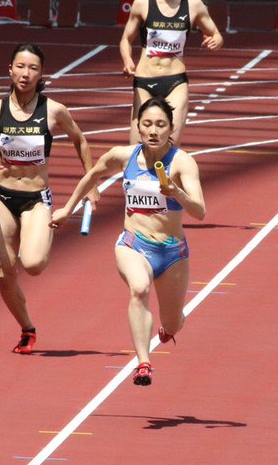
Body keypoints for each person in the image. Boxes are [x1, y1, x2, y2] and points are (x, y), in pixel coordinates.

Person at [51, 97, 204, 385]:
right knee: (139, 288)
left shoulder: (183, 163)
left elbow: (200, 210)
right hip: (134, 244)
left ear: (171, 128)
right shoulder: (124, 156)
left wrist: (176, 193)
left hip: (173, 251)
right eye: (147, 124)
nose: (153, 130)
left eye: (160, 125)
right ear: (138, 126)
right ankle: (144, 362)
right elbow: (94, 174)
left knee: (173, 322)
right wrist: (68, 208)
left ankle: (169, 328)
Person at [0, 43, 99, 354]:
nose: (25, 73)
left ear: (42, 74)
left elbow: (80, 140)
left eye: (32, 68)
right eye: (20, 66)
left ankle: (44, 230)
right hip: (3, 196)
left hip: (35, 199)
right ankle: (27, 328)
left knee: (33, 264)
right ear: (10, 70)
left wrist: (92, 183)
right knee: (4, 273)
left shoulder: (53, 110)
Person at [120, 0, 224, 146]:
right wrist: (127, 61)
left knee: (168, 145)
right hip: (144, 80)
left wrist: (216, 41)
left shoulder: (194, 5)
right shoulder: (142, 3)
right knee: (136, 147)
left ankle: (165, 177)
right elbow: (125, 39)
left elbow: (216, 34)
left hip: (175, 80)